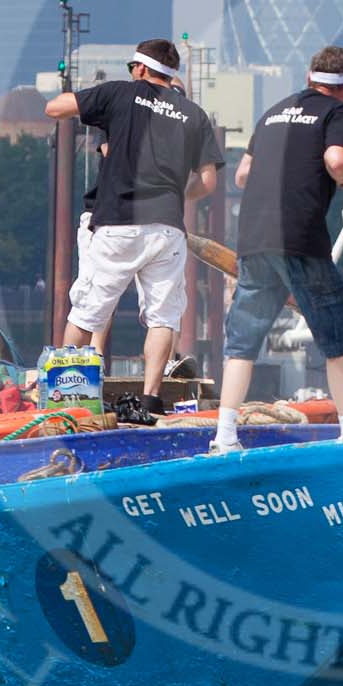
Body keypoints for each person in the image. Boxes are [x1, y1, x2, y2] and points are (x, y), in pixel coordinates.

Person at [44, 39, 222, 421]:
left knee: (87, 311)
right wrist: (177, 194)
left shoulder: (120, 94)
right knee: (163, 317)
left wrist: (95, 105)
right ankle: (149, 400)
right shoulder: (194, 114)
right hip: (167, 228)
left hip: (119, 220)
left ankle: (64, 398)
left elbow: (55, 108)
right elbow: (208, 182)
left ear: (140, 69)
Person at [213, 45, 343, 454]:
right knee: (338, 338)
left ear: (308, 80)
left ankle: (225, 436)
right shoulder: (338, 113)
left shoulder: (274, 112)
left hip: (253, 238)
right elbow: (336, 161)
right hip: (299, 238)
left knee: (242, 343)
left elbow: (244, 174)